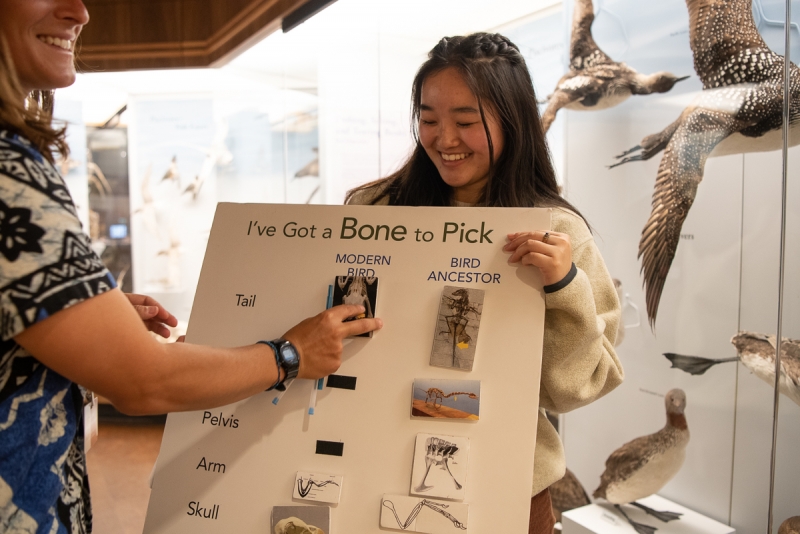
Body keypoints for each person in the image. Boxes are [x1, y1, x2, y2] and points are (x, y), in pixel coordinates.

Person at [0, 1, 382, 532]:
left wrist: (90, 317)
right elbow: (143, 381)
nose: (80, 12)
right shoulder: (10, 174)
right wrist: (291, 354)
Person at [346, 32, 623, 534]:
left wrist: (566, 287)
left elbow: (577, 387)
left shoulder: (557, 232)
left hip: (507, 479)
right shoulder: (373, 211)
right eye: (428, 119)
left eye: (466, 122)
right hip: (375, 464)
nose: (444, 139)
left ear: (511, 122)